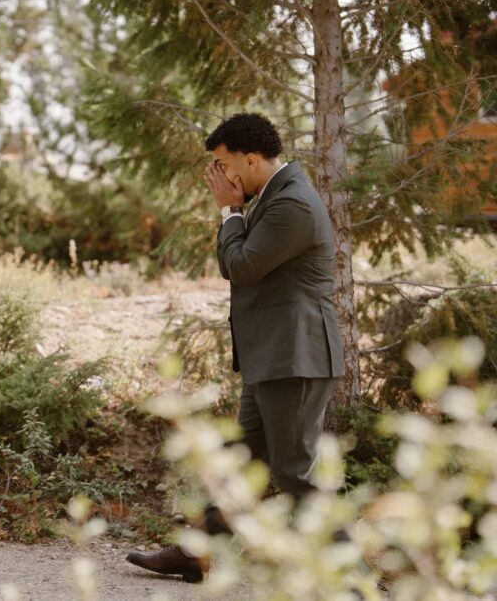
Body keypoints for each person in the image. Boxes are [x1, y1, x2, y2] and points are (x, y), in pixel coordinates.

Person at [126, 113, 344, 582]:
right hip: (273, 358)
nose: (219, 177)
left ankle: (350, 577)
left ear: (250, 159)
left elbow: (240, 266)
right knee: (242, 463)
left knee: (296, 474)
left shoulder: (293, 204)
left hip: (296, 358)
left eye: (223, 165)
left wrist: (229, 212)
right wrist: (235, 211)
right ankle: (196, 554)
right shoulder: (273, 197)